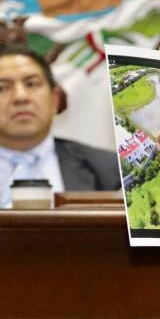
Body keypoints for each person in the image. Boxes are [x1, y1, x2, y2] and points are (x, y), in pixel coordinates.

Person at [0, 47, 121, 208]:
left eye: (32, 84)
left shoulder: (111, 170)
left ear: (55, 100)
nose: (20, 97)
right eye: (2, 87)